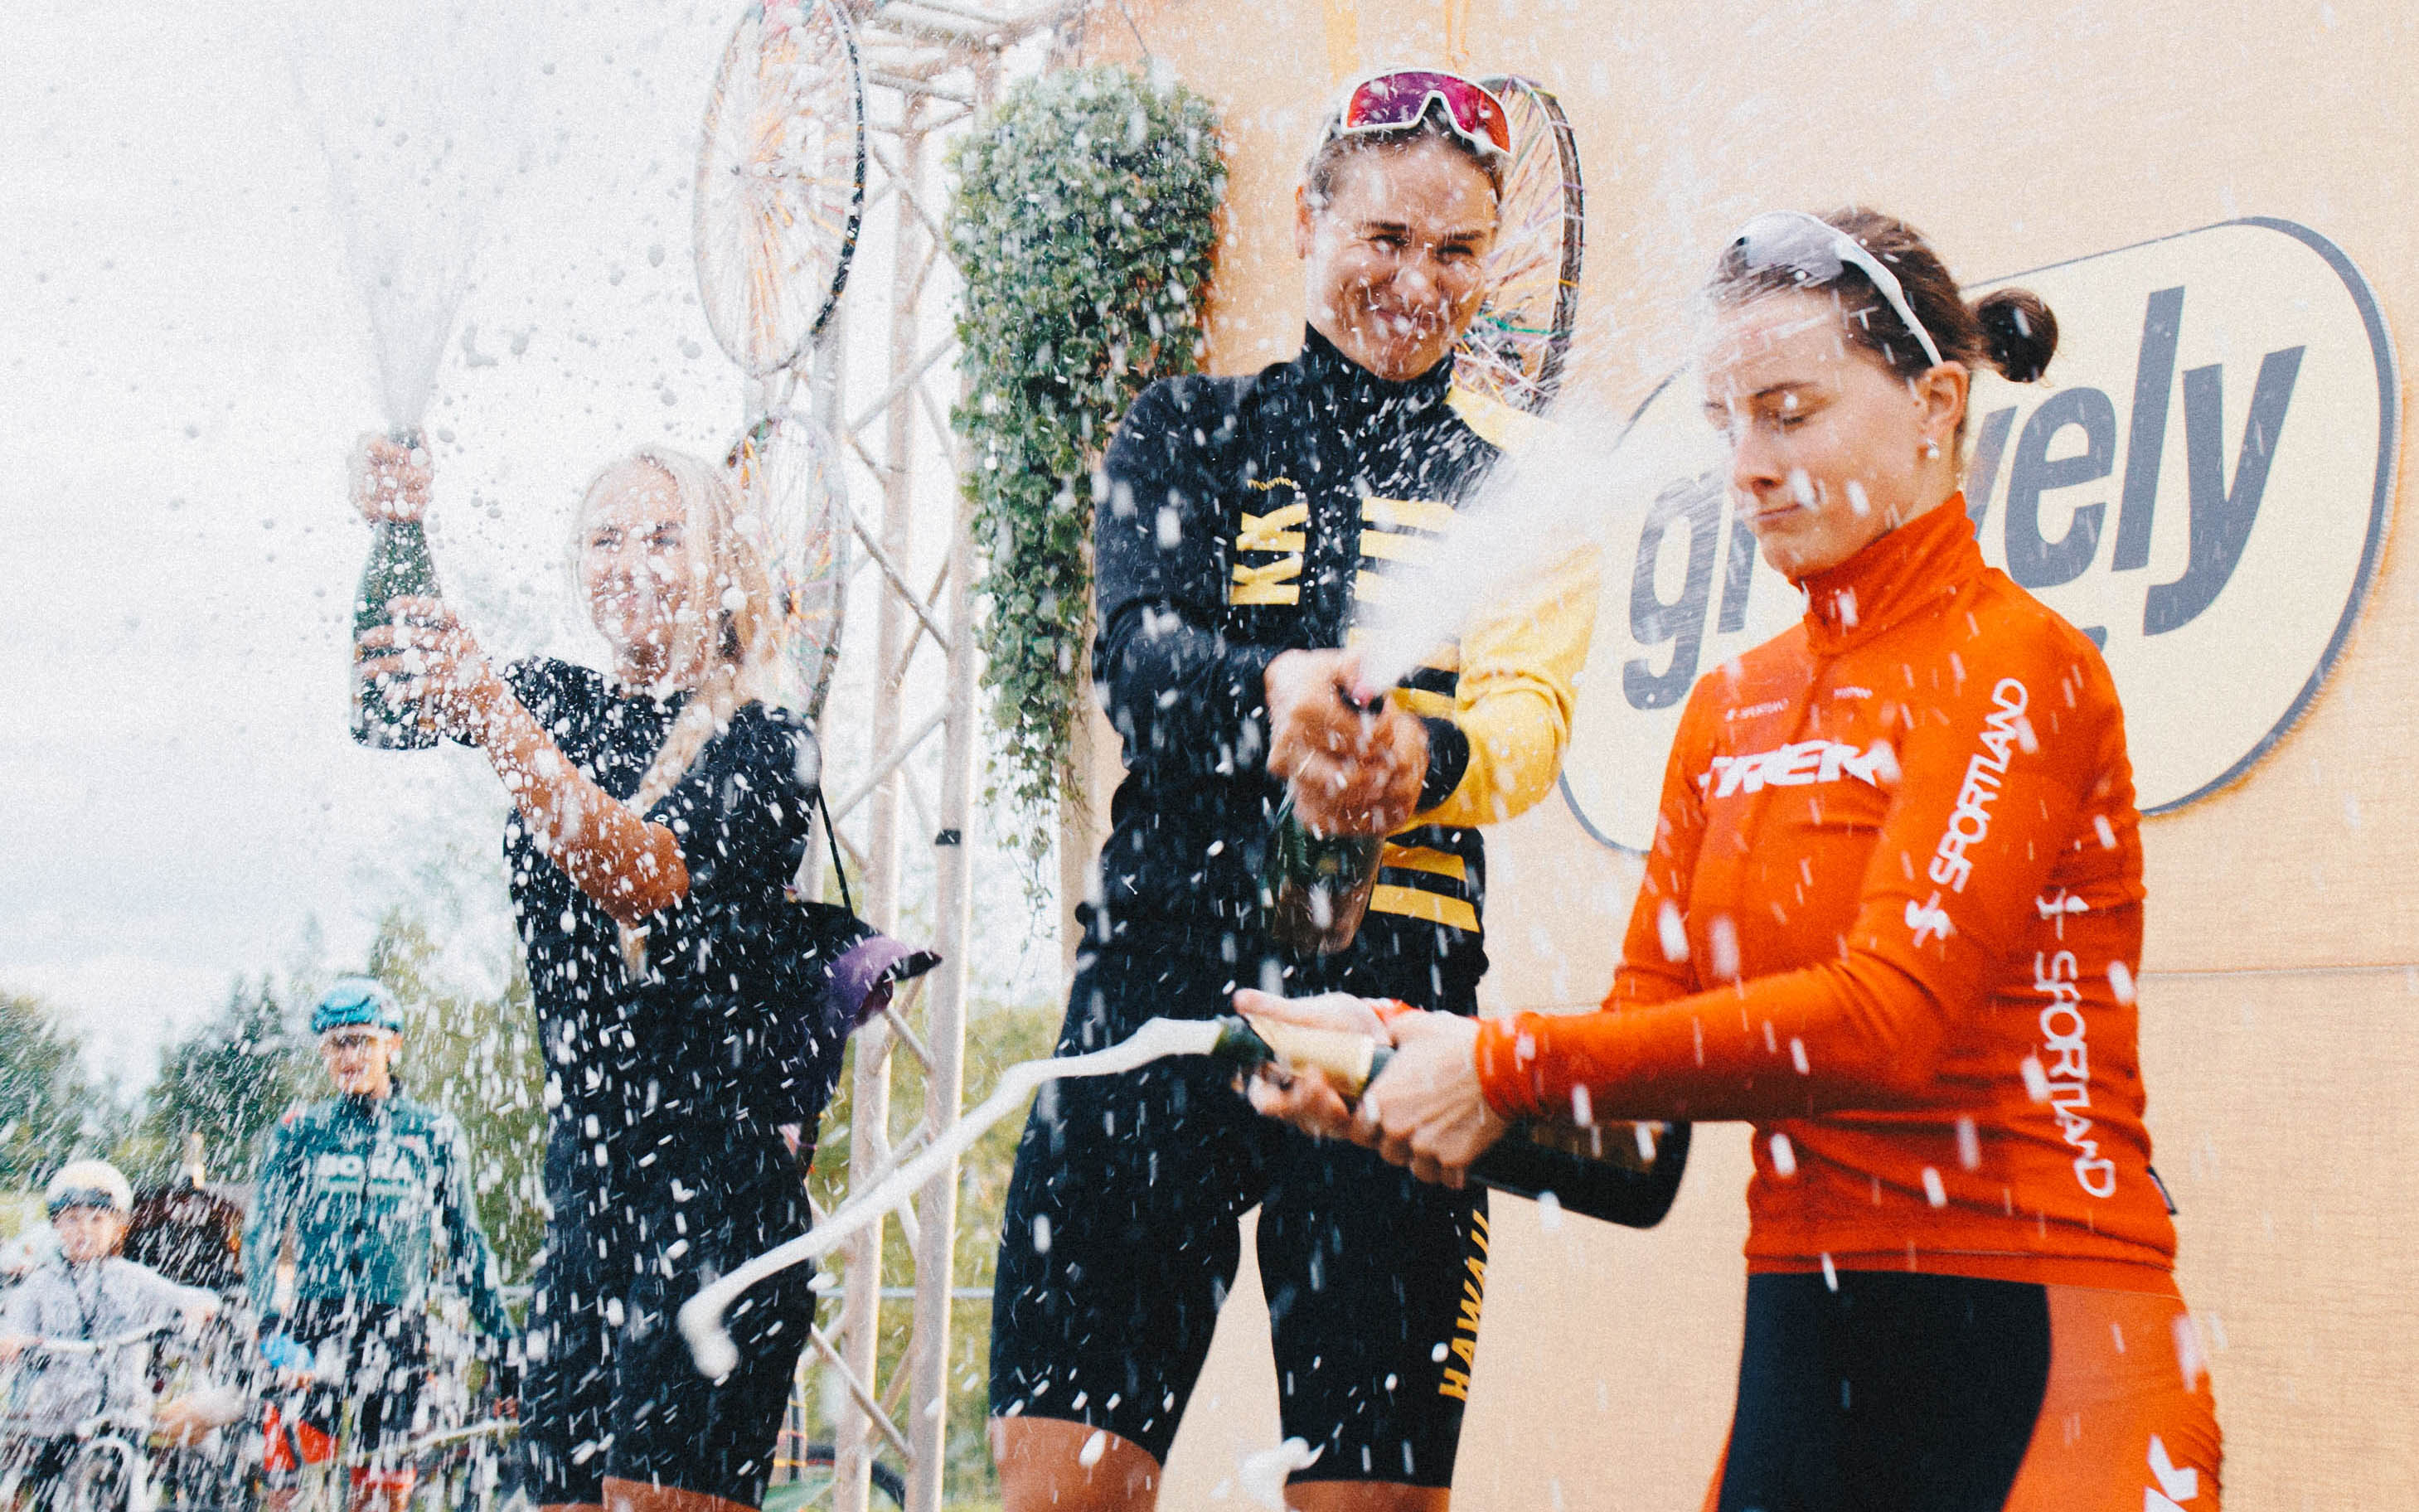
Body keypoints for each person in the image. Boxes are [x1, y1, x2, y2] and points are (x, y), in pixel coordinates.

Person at [1248, 209, 2223, 1510]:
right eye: (1725, 424)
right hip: (1806, 1352)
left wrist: (1499, 1065)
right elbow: (1633, 1139)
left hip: (2046, 1345)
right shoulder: (1729, 711)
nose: (1747, 468)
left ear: (1934, 405)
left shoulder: (2016, 666)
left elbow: (1887, 1024)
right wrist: (1396, 1071)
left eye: (1788, 413)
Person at [987, 70, 1599, 1512]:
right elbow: (1136, 660)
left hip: (1398, 1022)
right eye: (1383, 237)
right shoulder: (1185, 427)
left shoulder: (1525, 489)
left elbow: (1527, 722)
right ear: (1308, 220)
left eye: (1454, 251)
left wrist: (1421, 761)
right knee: (1060, 1492)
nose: (1416, 283)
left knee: (1371, 1500)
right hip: (1158, 991)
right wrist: (1274, 695)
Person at [353, 439, 839, 1512]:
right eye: (604, 538)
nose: (628, 562)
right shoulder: (555, 699)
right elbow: (382, 705)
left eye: (664, 537)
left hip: (717, 1203)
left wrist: (495, 716)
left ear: (721, 564)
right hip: (586, 1203)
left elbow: (640, 877)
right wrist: (396, 531)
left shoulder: (769, 742)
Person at [245, 976, 512, 1512]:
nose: (348, 1057)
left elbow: (467, 1242)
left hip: (396, 1330)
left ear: (394, 1044)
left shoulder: (433, 1132)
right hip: (314, 1326)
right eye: (335, 1044)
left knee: (380, 1497)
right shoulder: (301, 1129)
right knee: (289, 1490)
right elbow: (262, 1231)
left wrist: (503, 1339)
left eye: (362, 1041)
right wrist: (269, 1319)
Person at [0, 1162, 224, 1488]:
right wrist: (12, 1341)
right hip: (57, 1419)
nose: (84, 1230)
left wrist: (199, 1307)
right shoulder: (40, 1284)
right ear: (56, 1226)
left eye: (97, 1219)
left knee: (131, 1478)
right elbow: (13, 1327)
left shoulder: (132, 1278)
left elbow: (186, 1297)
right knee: (44, 1484)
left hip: (123, 1413)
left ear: (118, 1226)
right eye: (72, 1219)